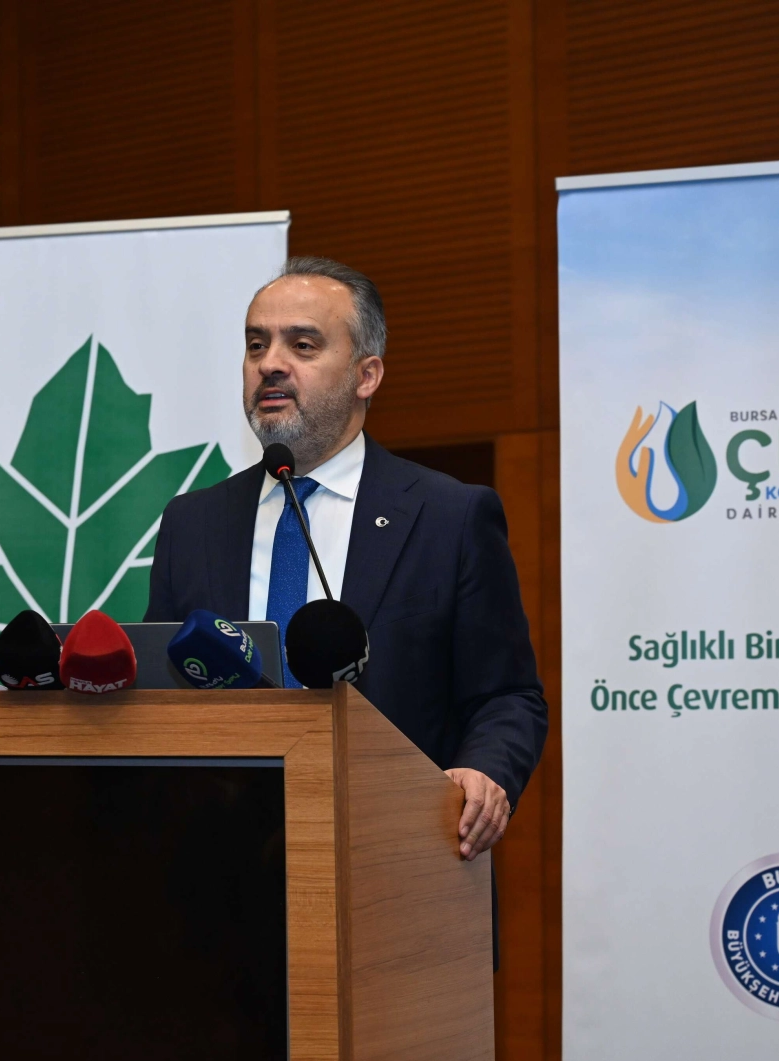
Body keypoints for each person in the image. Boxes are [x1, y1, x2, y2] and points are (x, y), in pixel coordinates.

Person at [146, 256, 548, 861]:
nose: (270, 363)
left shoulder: (449, 517)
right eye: (256, 345)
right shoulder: (192, 523)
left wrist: (485, 772)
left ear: (367, 375)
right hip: (217, 866)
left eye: (302, 345)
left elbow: (508, 696)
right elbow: (160, 690)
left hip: (398, 853)